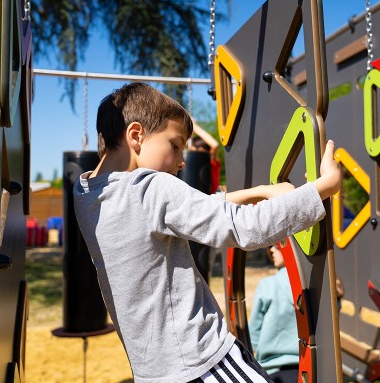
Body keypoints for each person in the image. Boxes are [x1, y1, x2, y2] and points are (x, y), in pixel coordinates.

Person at [73, 82, 341, 383]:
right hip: (203, 363)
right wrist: (323, 187)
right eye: (175, 145)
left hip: (153, 372)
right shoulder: (151, 188)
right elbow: (245, 228)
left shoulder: (85, 194)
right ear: (136, 135)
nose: (181, 161)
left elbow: (190, 208)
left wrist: (260, 191)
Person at [249, 244, 299, 382]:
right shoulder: (316, 287)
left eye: (277, 245)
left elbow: (253, 335)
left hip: (273, 371)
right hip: (310, 368)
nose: (271, 249)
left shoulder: (268, 285)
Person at [189, 117, 221, 194]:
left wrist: (195, 127)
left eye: (198, 150)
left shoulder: (212, 161)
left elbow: (215, 145)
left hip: (210, 195)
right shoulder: (193, 162)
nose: (193, 151)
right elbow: (189, 147)